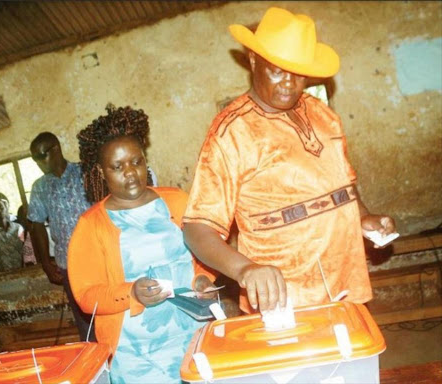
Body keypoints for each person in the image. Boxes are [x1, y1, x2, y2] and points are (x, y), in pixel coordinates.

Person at [183, 7, 397, 314]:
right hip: (284, 296)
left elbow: (344, 182)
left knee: (352, 360)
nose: (289, 83)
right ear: (253, 60)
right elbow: (197, 228)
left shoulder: (322, 113)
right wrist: (245, 269)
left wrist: (364, 218)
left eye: (298, 73)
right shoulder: (231, 132)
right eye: (277, 70)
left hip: (345, 281)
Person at [69, 105, 216, 383]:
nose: (130, 173)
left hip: (193, 335)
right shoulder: (92, 225)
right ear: (101, 172)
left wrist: (202, 279)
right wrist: (131, 292)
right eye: (117, 166)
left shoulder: (176, 201)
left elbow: (204, 254)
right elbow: (87, 296)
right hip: (137, 355)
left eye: (136, 162)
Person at [27, 132, 95, 341]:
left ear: (56, 149)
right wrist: (46, 263)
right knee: (84, 320)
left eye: (42, 156)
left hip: (98, 259)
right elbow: (36, 225)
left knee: (106, 312)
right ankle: (95, 365)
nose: (39, 163)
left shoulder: (85, 173)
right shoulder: (40, 188)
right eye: (35, 159)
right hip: (68, 266)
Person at [0, 193, 24, 272]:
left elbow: (27, 248)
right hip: (1, 275)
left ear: (6, 207)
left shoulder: (18, 228)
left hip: (21, 270)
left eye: (1, 207)